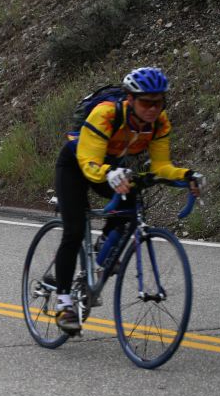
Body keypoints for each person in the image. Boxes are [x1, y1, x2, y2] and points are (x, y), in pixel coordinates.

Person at [52, 67, 204, 332]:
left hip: (111, 166)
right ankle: (64, 302)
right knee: (74, 230)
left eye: (159, 102)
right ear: (129, 99)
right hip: (77, 165)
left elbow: (160, 167)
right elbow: (89, 164)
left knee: (131, 202)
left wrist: (187, 175)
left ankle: (102, 251)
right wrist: (109, 173)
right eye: (146, 102)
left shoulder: (159, 122)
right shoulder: (106, 114)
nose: (153, 109)